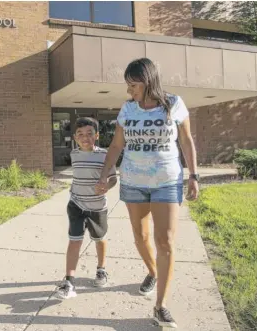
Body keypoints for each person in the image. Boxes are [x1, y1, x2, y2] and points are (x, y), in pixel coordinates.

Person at [96, 58, 199, 328]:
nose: (130, 90)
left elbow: (186, 141)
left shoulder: (173, 104)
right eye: (128, 86)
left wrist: (193, 175)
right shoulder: (128, 109)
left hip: (167, 181)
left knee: (164, 242)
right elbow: (117, 145)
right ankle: (153, 272)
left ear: (148, 80)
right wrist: (106, 172)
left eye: (133, 85)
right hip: (133, 181)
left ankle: (160, 306)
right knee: (141, 239)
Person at [55, 117, 118, 300]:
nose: (85, 137)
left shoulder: (105, 155)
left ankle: (101, 270)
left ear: (97, 135)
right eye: (80, 134)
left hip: (97, 208)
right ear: (75, 137)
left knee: (99, 239)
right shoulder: (74, 154)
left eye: (89, 133)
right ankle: (69, 281)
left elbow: (113, 178)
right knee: (74, 241)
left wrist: (107, 185)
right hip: (76, 204)